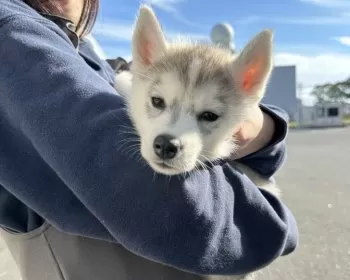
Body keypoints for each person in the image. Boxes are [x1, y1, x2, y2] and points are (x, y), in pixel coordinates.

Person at [0, 0, 298, 279]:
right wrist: (273, 221)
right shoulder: (12, 33)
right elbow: (161, 203)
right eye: (158, 102)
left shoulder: (86, 54)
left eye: (208, 116)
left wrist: (266, 128)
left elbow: (258, 142)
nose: (171, 136)